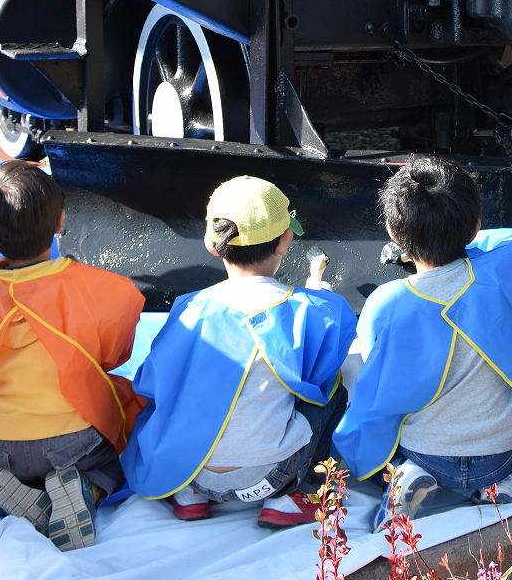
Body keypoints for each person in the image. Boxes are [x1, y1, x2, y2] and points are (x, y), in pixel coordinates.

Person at [333, 156, 512, 532]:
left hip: (428, 454)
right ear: (476, 228)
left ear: (393, 233)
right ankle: (497, 485)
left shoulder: (388, 301)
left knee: (373, 423)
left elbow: (380, 380)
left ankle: (407, 474)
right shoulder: (505, 274)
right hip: (502, 453)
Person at [121, 175, 357, 529]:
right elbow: (321, 374)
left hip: (190, 471)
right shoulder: (314, 309)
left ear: (211, 244)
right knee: (333, 391)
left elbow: (153, 383)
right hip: (270, 477)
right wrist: (317, 296)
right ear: (286, 241)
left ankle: (191, 498)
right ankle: (294, 499)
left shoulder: (189, 308)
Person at [0, 160, 145, 552]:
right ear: (61, 222)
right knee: (119, 452)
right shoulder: (94, 286)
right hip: (73, 443)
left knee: (12, 459)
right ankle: (86, 489)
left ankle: (12, 494)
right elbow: (114, 354)